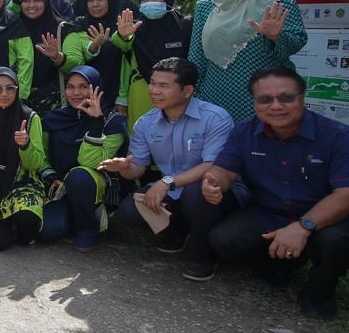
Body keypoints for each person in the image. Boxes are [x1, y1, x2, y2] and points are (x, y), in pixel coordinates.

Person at [201, 67, 349, 319]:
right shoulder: (244, 132)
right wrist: (214, 185)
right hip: (268, 213)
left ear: (303, 98)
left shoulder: (337, 136)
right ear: (255, 103)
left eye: (286, 98)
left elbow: (344, 194)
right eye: (265, 99)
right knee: (224, 238)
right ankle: (280, 265)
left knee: (335, 241)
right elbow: (223, 171)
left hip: (323, 217)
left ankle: (320, 291)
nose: (276, 106)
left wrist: (303, 226)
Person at [98, 58, 237, 278]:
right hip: (173, 191)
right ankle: (177, 233)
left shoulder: (215, 118)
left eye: (164, 86)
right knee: (129, 210)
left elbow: (213, 165)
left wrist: (167, 182)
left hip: (213, 191)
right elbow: (138, 168)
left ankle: (202, 253)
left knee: (197, 192)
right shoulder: (146, 123)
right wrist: (123, 167)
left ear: (187, 90)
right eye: (152, 83)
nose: (154, 91)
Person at [189, 0, 307, 122]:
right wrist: (193, 97)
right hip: (214, 98)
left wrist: (276, 36)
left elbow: (298, 39)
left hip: (267, 97)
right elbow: (196, 56)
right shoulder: (205, 7)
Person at [38, 65, 127, 251]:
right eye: (70, 87)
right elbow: (43, 154)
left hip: (92, 184)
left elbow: (92, 163)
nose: (76, 93)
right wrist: (51, 175)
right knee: (47, 231)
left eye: (83, 86)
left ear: (96, 88)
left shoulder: (113, 122)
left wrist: (96, 124)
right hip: (59, 186)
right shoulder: (54, 118)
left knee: (80, 175)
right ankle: (71, 215)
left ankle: (88, 228)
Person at [0, 68, 48, 251]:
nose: (4, 94)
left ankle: (15, 223)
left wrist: (25, 146)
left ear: (17, 90)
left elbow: (35, 164)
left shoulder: (30, 118)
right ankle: (1, 224)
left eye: (10, 88)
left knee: (28, 222)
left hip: (18, 186)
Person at [115, 0, 192, 127]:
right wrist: (123, 35)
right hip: (144, 91)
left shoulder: (186, 25)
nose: (150, 3)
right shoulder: (135, 27)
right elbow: (120, 44)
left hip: (180, 93)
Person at [64, 0, 131, 100]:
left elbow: (127, 62)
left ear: (110, 0)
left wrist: (122, 98)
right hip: (82, 97)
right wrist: (93, 46)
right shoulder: (80, 25)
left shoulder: (122, 26)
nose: (95, 4)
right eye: (90, 0)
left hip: (117, 97)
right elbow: (75, 61)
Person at [15, 0, 75, 112]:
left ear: (47, 2)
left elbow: (77, 64)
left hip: (53, 101)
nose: (31, 5)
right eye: (26, 0)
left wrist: (57, 57)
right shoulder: (14, 28)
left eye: (37, 0)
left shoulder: (61, 29)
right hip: (16, 98)